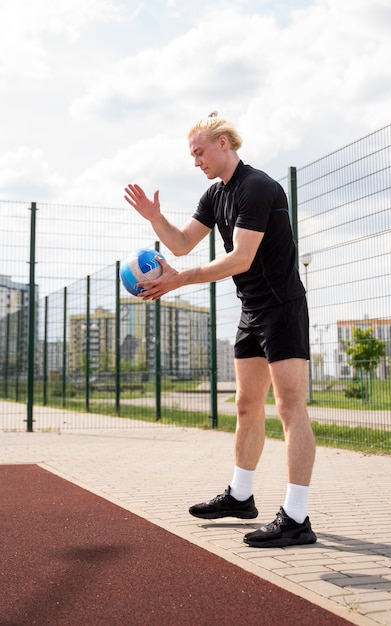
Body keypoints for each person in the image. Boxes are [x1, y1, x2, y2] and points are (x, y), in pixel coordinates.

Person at [124, 112, 317, 548]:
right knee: (247, 405)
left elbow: (240, 259)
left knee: (290, 409)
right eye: (191, 155)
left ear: (224, 143)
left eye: (199, 152)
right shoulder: (215, 195)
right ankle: (241, 497)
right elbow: (180, 244)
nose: (196, 161)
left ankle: (297, 517)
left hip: (282, 307)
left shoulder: (258, 187)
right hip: (251, 310)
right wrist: (155, 217)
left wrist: (177, 279)